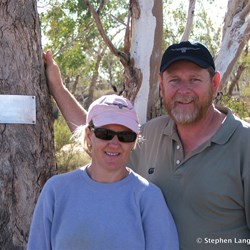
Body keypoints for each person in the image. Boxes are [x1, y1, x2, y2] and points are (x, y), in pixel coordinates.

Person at [43, 41, 250, 249]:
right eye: (174, 80)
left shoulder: (245, 143)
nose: (183, 90)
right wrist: (57, 88)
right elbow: (102, 139)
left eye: (194, 79)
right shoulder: (151, 134)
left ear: (214, 83)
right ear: (161, 85)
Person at [27, 94, 179, 250]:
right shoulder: (56, 190)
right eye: (105, 134)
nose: (114, 144)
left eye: (125, 136)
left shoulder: (148, 197)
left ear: (134, 142)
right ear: (89, 135)